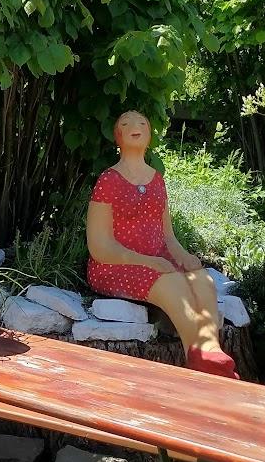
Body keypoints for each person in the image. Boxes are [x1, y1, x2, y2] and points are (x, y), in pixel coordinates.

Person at [85, 110, 238, 380]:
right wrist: (146, 261)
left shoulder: (157, 180)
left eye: (142, 122)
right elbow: (99, 246)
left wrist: (184, 256)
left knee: (201, 278)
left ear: (150, 134)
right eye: (126, 123)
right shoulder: (108, 180)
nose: (135, 126)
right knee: (172, 282)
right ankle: (198, 356)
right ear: (117, 136)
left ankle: (211, 349)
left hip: (158, 261)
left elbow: (167, 236)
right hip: (115, 264)